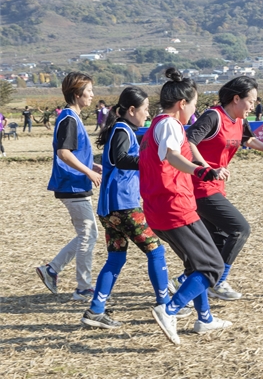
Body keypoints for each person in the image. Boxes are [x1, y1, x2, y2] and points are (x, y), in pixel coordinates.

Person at [139, 67, 232, 345]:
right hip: (174, 206)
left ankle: (205, 318)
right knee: (212, 266)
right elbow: (173, 157)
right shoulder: (170, 124)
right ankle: (170, 310)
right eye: (193, 105)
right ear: (182, 103)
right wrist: (201, 171)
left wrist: (204, 168)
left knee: (196, 264)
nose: (194, 111)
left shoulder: (155, 126)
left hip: (159, 207)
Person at [169, 76, 263, 301]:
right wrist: (206, 168)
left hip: (216, 187)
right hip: (199, 186)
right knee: (240, 229)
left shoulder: (239, 120)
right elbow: (189, 141)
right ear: (236, 99)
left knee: (218, 239)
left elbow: (249, 140)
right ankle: (218, 281)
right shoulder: (213, 116)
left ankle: (184, 281)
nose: (253, 106)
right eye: (251, 101)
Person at [80, 86, 176, 329]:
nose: (147, 114)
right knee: (156, 251)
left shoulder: (121, 130)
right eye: (145, 109)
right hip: (124, 207)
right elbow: (122, 159)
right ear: (132, 110)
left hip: (109, 209)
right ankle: (165, 305)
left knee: (115, 258)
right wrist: (153, 161)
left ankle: (95, 310)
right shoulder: (122, 130)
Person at [36, 72, 102, 301]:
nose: (92, 95)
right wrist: (88, 171)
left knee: (88, 233)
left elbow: (72, 152)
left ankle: (51, 269)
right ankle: (83, 288)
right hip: (72, 185)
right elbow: (63, 153)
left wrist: (90, 165)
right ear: (77, 94)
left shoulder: (71, 117)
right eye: (89, 91)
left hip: (74, 183)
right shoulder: (69, 119)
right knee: (88, 235)